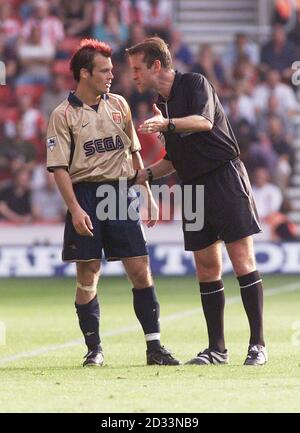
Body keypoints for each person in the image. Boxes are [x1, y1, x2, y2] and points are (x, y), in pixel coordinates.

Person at [126, 37, 267, 366]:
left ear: (156, 66)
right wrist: (143, 175)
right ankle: (217, 349)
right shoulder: (164, 105)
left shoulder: (194, 83)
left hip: (224, 177)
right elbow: (173, 160)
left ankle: (258, 344)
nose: (132, 75)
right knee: (206, 268)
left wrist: (167, 124)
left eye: (137, 68)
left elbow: (204, 122)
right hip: (193, 186)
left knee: (242, 260)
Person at [46, 38, 180, 367]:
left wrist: (147, 193)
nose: (111, 75)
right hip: (86, 194)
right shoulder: (62, 115)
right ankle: (94, 349)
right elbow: (59, 168)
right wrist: (76, 208)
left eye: (111, 70)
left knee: (140, 268)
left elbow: (133, 152)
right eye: (104, 70)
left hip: (120, 193)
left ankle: (154, 347)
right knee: (89, 273)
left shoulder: (119, 104)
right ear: (84, 73)